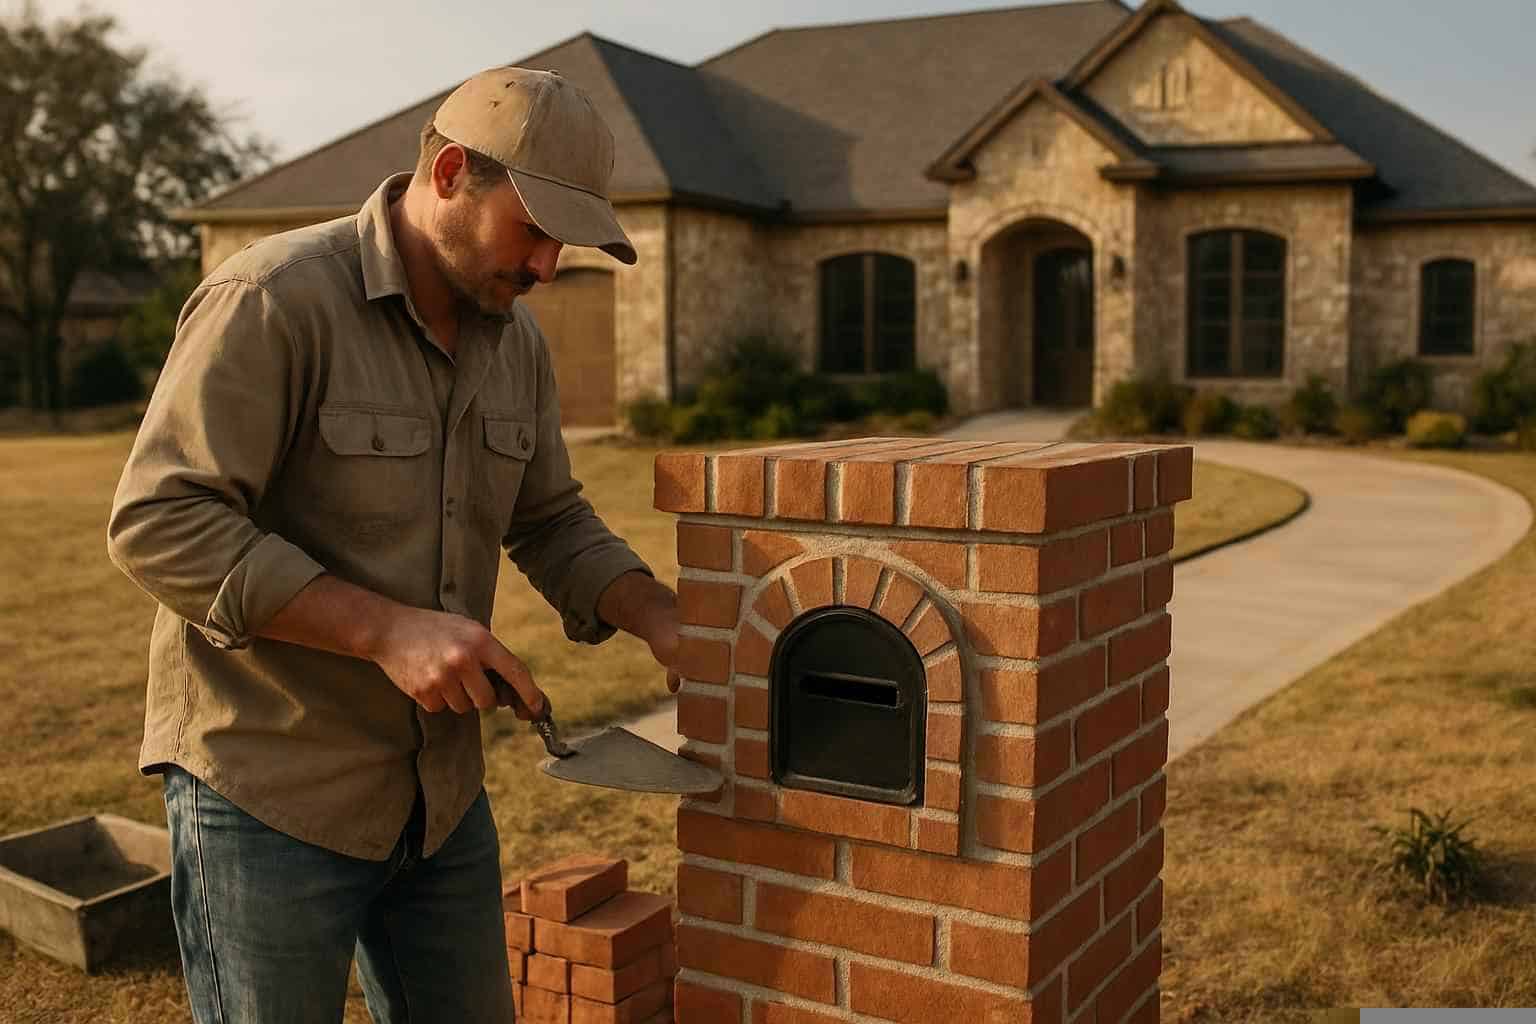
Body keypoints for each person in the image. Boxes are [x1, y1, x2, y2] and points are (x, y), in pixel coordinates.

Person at [106, 66, 681, 1023]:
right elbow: (161, 521)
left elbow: (551, 521)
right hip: (267, 793)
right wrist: (386, 632)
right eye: (534, 230)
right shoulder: (273, 298)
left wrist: (660, 616)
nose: (547, 267)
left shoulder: (517, 343)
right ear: (451, 172)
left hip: (440, 797)